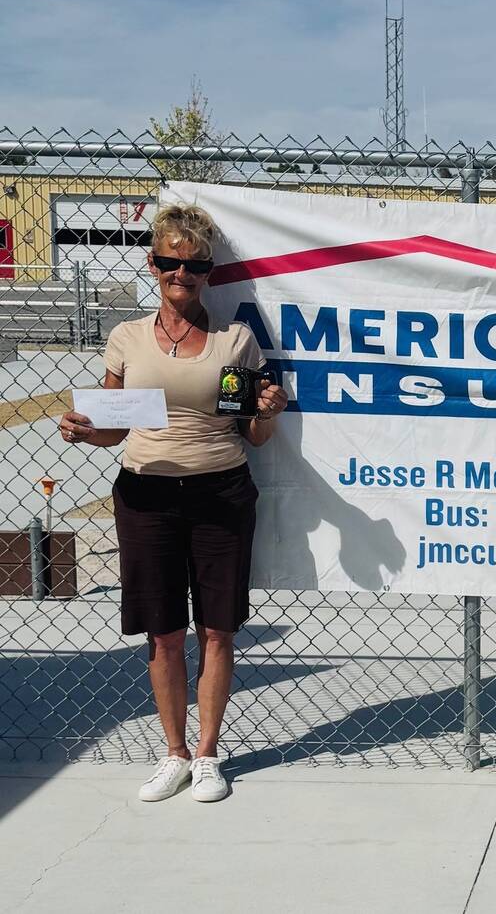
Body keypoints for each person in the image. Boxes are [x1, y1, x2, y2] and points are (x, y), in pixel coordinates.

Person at [58, 204, 287, 803]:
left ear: (210, 271)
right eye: (169, 261)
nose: (180, 273)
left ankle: (208, 756)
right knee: (163, 634)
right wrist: (85, 430)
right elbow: (111, 428)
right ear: (152, 263)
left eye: (194, 263)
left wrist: (268, 415)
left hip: (221, 492)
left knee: (217, 630)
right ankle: (174, 753)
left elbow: (251, 435)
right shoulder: (125, 337)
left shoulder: (235, 342)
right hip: (145, 496)